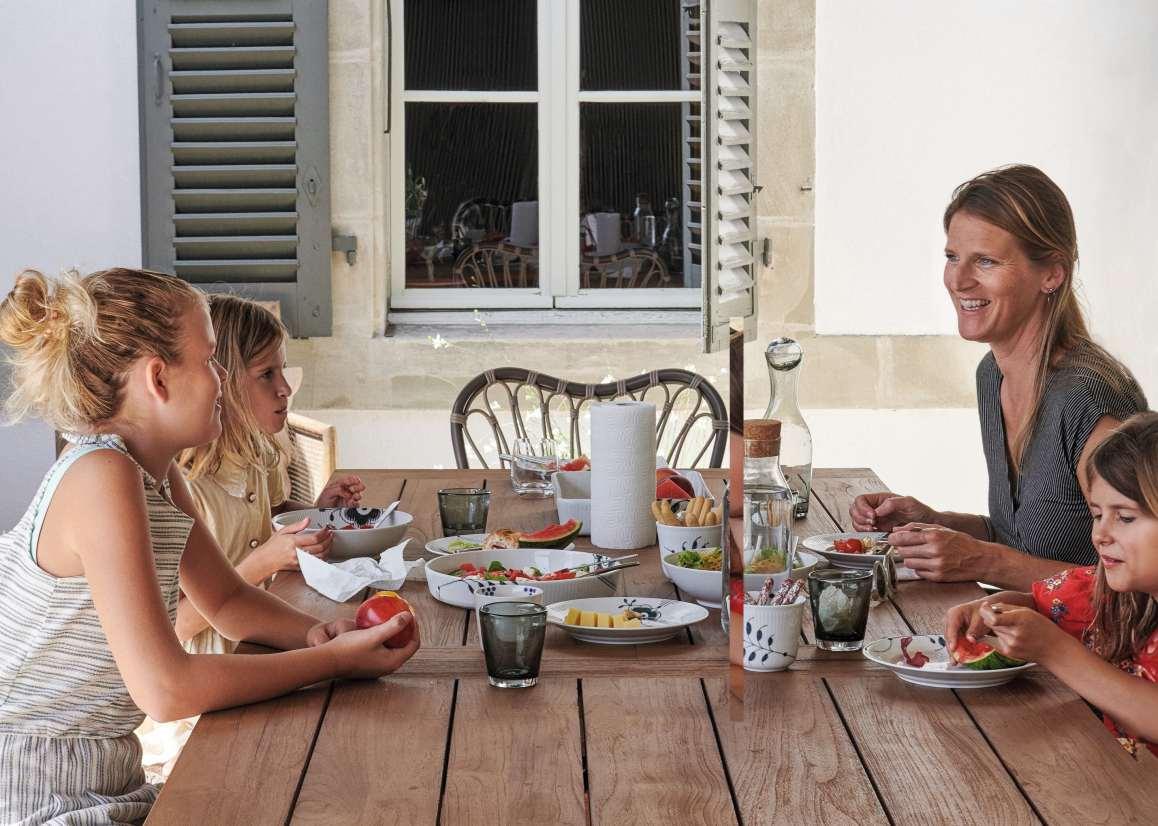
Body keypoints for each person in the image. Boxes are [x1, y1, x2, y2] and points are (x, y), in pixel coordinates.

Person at [0, 268, 418, 825]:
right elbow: (166, 689)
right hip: (38, 795)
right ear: (158, 378)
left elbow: (225, 600)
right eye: (211, 359)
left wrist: (317, 633)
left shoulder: (151, 472)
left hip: (109, 778)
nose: (222, 377)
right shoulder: (101, 476)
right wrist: (329, 662)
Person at [850, 164, 1146, 589]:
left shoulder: (1089, 401)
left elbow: (1138, 584)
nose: (959, 280)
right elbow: (1025, 540)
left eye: (985, 261)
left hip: (1095, 634)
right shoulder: (993, 375)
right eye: (953, 257)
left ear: (1051, 274)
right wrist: (936, 523)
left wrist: (982, 561)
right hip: (1021, 623)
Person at [945, 413, 1158, 757]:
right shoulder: (1117, 592)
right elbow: (1049, 605)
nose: (1100, 535)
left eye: (1125, 517)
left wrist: (1055, 651)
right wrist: (997, 610)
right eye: (1097, 514)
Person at [175, 294, 364, 655]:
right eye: (266, 375)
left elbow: (273, 513)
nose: (285, 389)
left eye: (283, 370)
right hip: (216, 666)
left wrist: (318, 513)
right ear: (223, 379)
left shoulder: (258, 451)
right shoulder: (183, 485)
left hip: (268, 639)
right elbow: (177, 623)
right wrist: (262, 562)